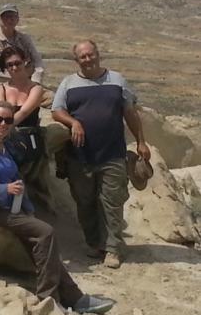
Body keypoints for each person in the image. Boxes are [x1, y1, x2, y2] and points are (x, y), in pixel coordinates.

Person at [0, 101, 115, 314]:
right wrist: (4, 189)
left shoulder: (5, 148)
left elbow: (16, 181)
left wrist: (26, 207)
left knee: (42, 245)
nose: (3, 124)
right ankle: (49, 299)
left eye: (8, 120)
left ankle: (75, 297)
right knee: (46, 232)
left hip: (10, 207)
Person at [52, 39, 151, 269]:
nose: (88, 59)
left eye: (90, 54)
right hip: (79, 156)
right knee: (84, 201)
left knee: (112, 201)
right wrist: (73, 122)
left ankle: (113, 248)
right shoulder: (68, 83)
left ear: (98, 54)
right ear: (76, 60)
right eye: (82, 56)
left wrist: (141, 141)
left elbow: (130, 112)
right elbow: (57, 111)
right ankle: (95, 243)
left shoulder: (117, 80)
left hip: (112, 153)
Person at [0, 46, 52, 211]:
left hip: (27, 136)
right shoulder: (1, 89)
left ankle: (21, 206)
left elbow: (25, 112)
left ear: (25, 61)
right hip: (5, 134)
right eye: (9, 65)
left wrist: (5, 127)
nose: (14, 67)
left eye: (17, 63)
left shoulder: (36, 89)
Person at [0, 4, 44, 83]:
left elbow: (38, 64)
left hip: (24, 85)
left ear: (17, 19)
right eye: (5, 17)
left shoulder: (25, 40)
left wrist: (35, 82)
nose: (9, 20)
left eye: (12, 16)